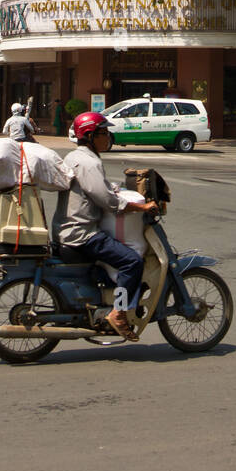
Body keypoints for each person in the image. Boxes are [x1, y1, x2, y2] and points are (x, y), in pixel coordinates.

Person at [59, 112, 158, 341]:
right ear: (90, 135)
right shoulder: (89, 162)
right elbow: (108, 202)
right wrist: (142, 208)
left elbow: (97, 190)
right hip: (82, 233)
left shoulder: (75, 156)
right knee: (132, 262)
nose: (108, 137)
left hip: (69, 228)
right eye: (104, 133)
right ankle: (119, 312)